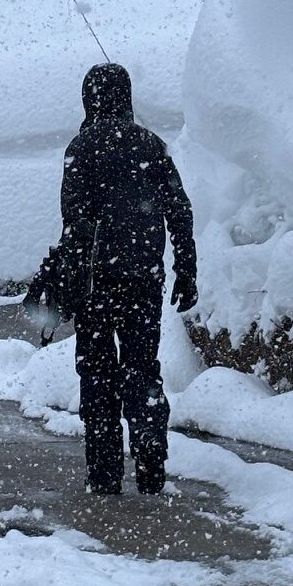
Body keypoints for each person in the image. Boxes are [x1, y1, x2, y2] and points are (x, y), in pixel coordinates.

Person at [46, 62, 197, 497]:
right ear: (126, 96)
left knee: (96, 372)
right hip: (143, 280)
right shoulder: (151, 145)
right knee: (142, 368)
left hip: (95, 283)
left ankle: (105, 471)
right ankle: (150, 453)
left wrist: (67, 279)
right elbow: (179, 210)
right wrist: (185, 268)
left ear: (88, 98)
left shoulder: (81, 147)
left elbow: (73, 219)